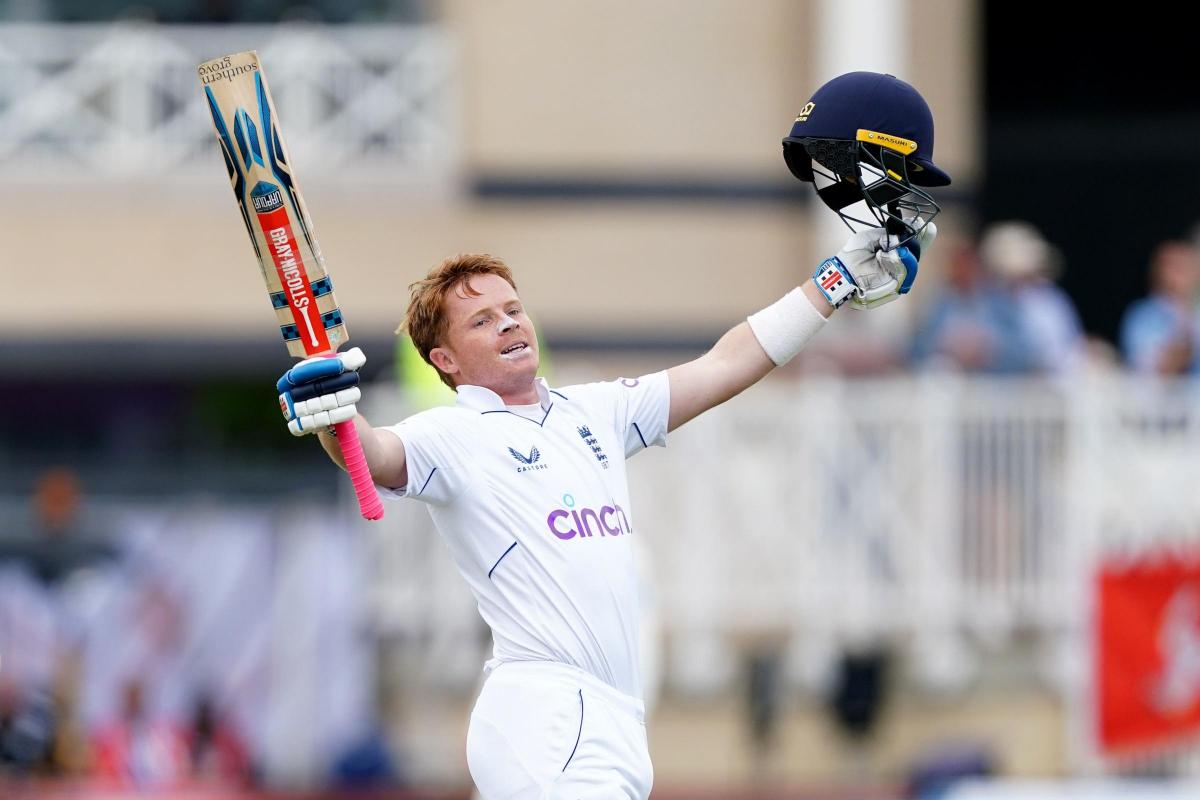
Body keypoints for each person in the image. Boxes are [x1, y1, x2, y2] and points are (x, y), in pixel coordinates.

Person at [275, 71, 949, 799]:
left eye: (512, 307)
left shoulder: (592, 412)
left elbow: (728, 363)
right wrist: (333, 412)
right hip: (545, 713)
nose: (508, 322)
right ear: (444, 360)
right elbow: (377, 456)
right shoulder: (455, 434)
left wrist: (834, 283)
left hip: (616, 719)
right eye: (482, 320)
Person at [1120, 240, 1200, 376]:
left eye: (1187, 267)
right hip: (1160, 395)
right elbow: (1152, 370)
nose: (1182, 275)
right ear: (1159, 271)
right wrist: (1184, 336)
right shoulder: (1143, 315)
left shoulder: (1196, 311)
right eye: (1175, 268)